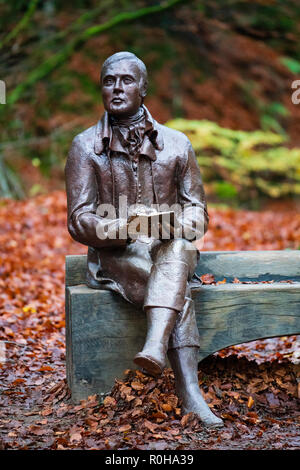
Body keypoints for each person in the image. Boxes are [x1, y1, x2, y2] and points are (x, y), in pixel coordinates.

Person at [65, 51, 223, 428]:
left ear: (144, 88)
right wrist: (127, 228)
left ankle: (155, 348)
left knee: (177, 250)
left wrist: (172, 226)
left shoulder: (177, 144)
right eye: (109, 81)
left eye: (127, 80)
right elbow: (78, 220)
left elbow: (197, 211)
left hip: (172, 247)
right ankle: (190, 392)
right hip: (115, 256)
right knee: (169, 279)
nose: (117, 88)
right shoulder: (85, 146)